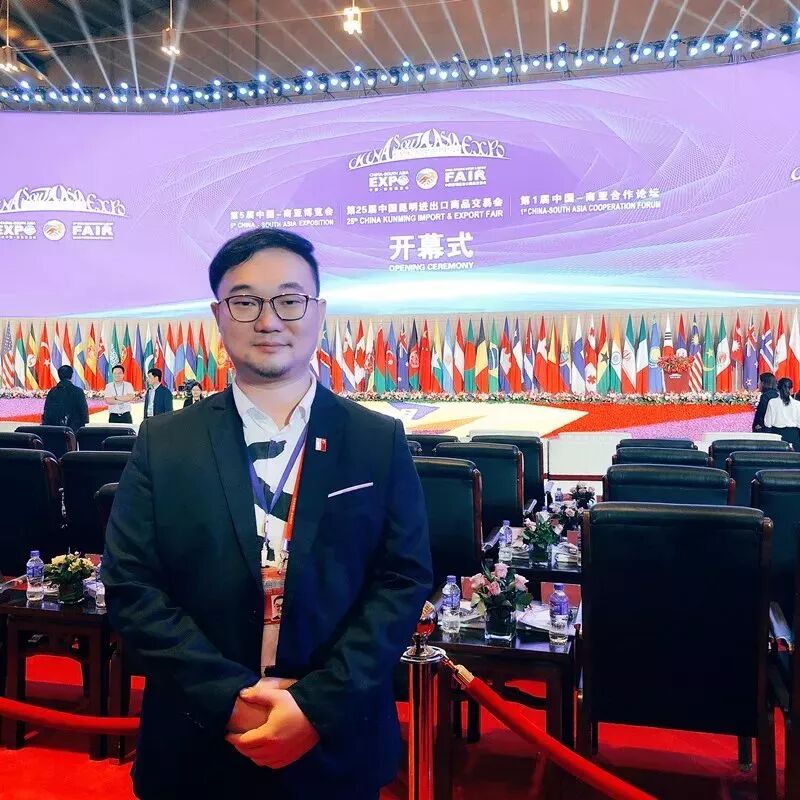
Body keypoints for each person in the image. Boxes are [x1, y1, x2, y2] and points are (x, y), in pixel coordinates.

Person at [102, 228, 432, 800]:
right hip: (197, 743)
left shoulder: (376, 440)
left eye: (289, 300)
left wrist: (314, 707)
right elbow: (131, 586)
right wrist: (229, 700)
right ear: (219, 315)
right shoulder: (164, 442)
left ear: (318, 311)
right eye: (245, 302)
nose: (268, 320)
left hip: (334, 743)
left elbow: (401, 581)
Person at [41, 364, 90, 430]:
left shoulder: (52, 392)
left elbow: (47, 411)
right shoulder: (78, 391)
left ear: (59, 376)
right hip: (74, 430)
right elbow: (83, 411)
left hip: (54, 429)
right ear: (71, 376)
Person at [764, 377, 800, 449]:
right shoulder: (797, 404)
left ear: (778, 389)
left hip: (776, 436)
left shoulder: (772, 402)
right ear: (791, 389)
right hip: (793, 436)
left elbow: (767, 423)